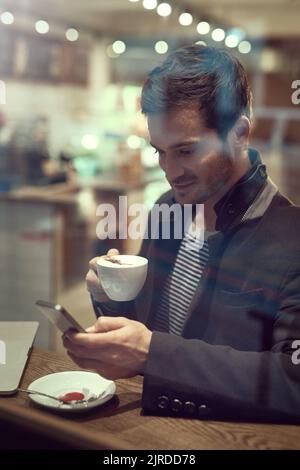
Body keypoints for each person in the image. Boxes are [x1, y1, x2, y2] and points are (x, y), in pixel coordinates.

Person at [63, 45, 300, 422]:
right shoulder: (166, 208)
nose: (171, 171)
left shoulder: (291, 239)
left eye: (186, 151)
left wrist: (150, 353)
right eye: (160, 151)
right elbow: (146, 331)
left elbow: (293, 382)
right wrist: (113, 296)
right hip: (148, 428)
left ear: (239, 134)